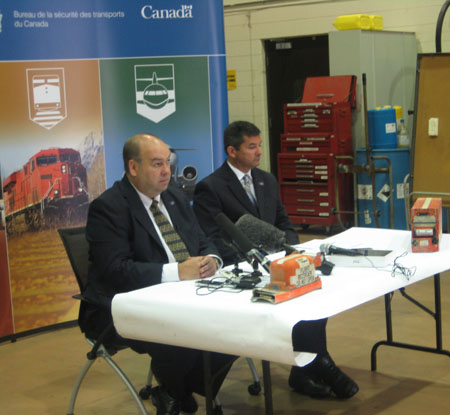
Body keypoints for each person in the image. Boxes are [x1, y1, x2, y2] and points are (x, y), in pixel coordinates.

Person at [193, 120, 358, 400]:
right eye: (252, 147)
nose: (259, 152)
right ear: (232, 151)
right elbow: (213, 237)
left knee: (315, 297)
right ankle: (317, 364)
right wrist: (255, 262)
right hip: (244, 270)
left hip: (279, 264)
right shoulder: (210, 187)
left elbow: (283, 222)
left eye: (259, 145)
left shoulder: (266, 179)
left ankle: (309, 365)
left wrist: (289, 250)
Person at [81, 133, 236, 415]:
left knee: (236, 322)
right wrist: (177, 271)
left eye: (167, 163)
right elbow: (116, 271)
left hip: (184, 293)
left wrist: (212, 259)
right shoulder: (109, 208)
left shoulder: (174, 196)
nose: (167, 171)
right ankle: (176, 389)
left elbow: (202, 240)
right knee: (182, 328)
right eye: (156, 164)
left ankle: (176, 389)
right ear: (133, 167)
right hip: (121, 305)